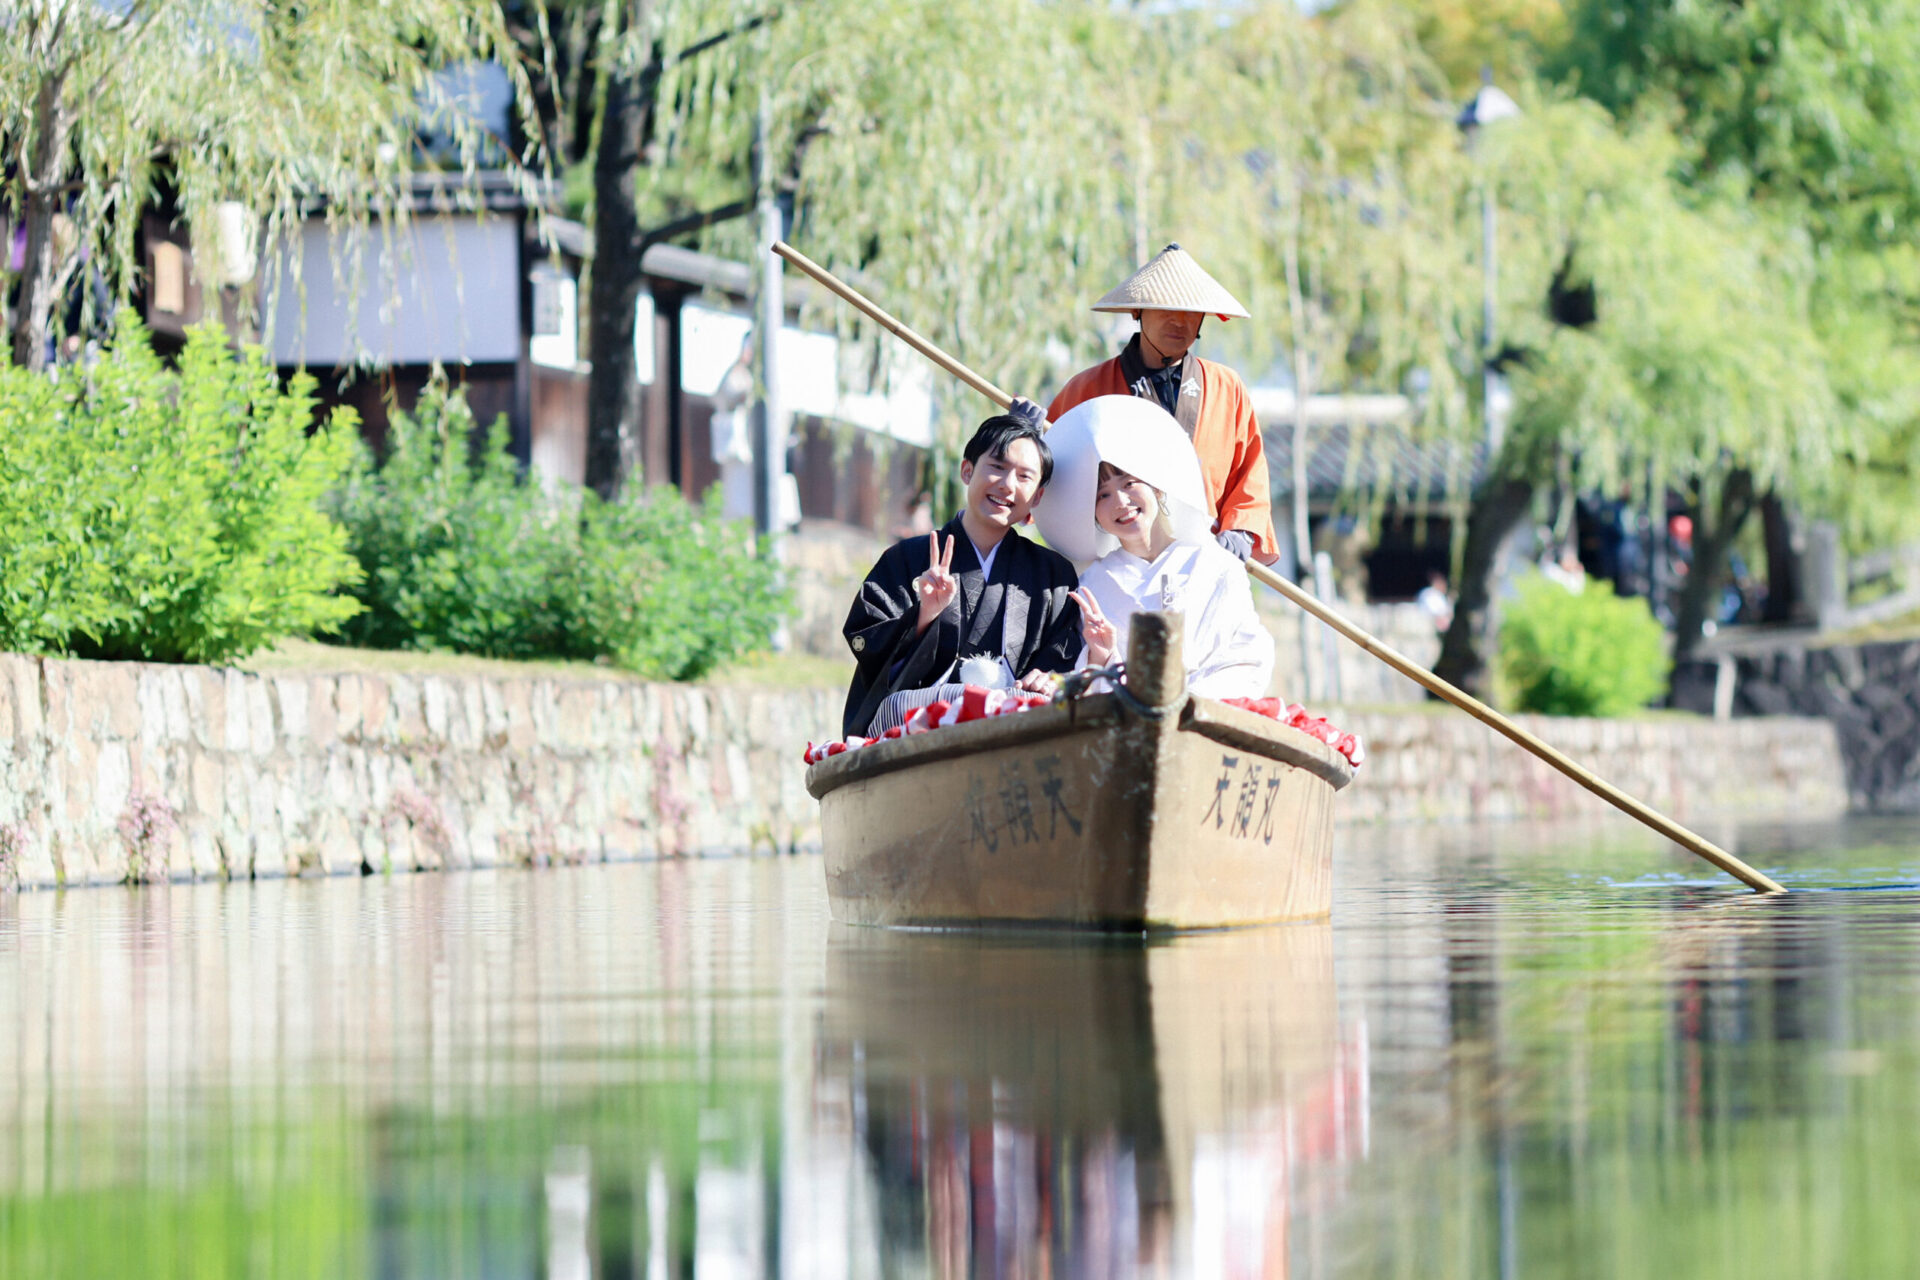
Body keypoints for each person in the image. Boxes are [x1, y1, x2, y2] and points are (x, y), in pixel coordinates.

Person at [840, 400, 1081, 737]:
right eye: (997, 466)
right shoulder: (907, 558)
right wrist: (924, 616)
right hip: (919, 725)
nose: (1007, 484)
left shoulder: (1054, 577)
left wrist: (1047, 678)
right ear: (967, 471)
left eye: (1024, 476)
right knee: (899, 712)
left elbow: (1063, 659)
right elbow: (868, 639)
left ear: (1037, 497)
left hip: (1013, 731)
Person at [1046, 243, 1278, 565]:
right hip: (1117, 562)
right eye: (1165, 308)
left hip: (1208, 557)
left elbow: (1250, 471)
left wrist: (1239, 530)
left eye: (1191, 311)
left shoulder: (1227, 387)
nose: (1179, 321)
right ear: (1137, 311)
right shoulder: (1088, 389)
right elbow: (1051, 466)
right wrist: (1027, 434)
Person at [1033, 395, 1273, 701]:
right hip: (1128, 720)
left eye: (1129, 483)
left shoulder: (1217, 565)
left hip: (1208, 714)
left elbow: (1248, 657)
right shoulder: (1093, 585)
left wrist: (1186, 701)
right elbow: (1089, 682)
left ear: (1157, 486)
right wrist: (1102, 655)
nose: (1120, 502)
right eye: (1103, 495)